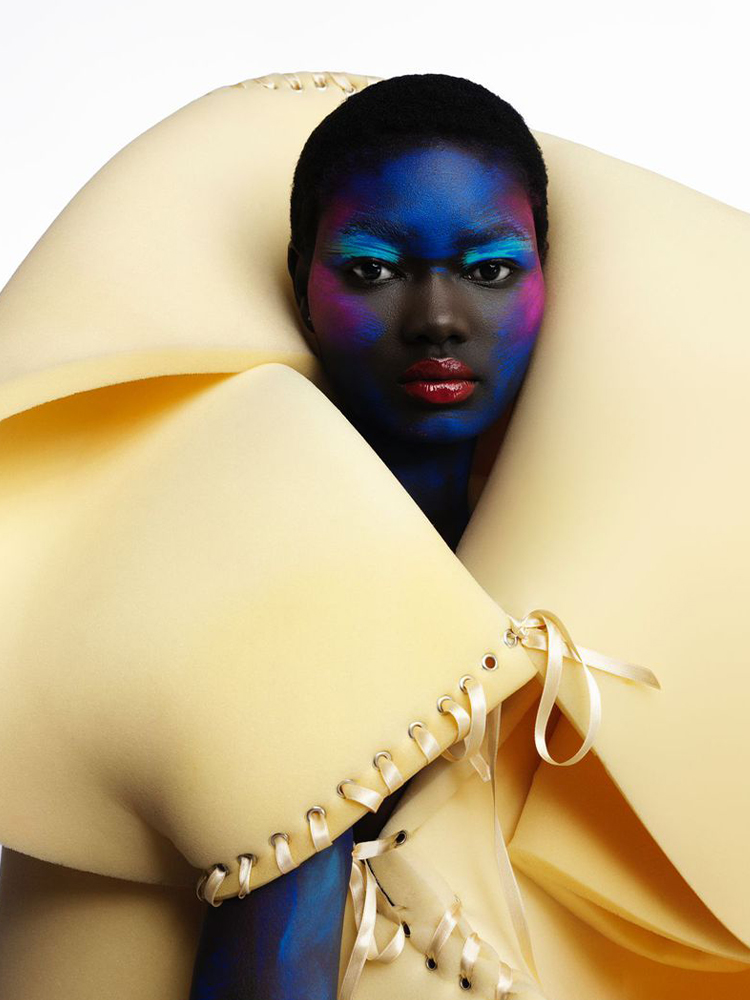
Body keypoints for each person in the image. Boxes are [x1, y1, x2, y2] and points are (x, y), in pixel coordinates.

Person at [189, 72, 548, 1000]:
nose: (437, 321)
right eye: (372, 271)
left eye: (490, 270)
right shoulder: (256, 561)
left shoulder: (615, 541)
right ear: (299, 280)